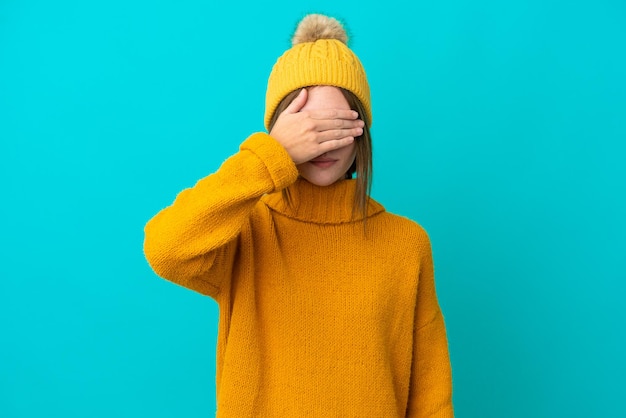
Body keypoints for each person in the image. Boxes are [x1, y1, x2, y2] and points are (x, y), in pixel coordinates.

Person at [144, 14, 453, 417]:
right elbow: (166, 248)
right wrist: (269, 157)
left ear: (362, 129)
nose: (320, 141)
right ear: (279, 131)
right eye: (304, 125)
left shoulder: (406, 243)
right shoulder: (244, 230)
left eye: (337, 124)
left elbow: (430, 394)